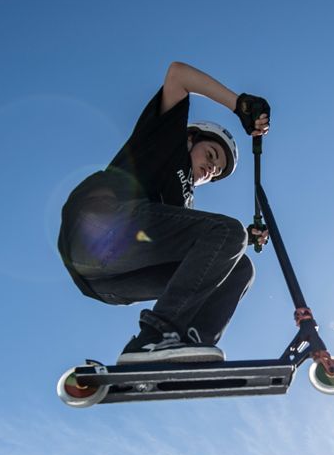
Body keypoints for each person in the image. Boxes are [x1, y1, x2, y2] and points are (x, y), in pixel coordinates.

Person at [58, 61, 270, 363]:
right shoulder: (165, 141)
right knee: (228, 232)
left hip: (110, 283)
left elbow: (193, 246)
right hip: (98, 230)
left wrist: (244, 240)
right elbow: (178, 75)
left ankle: (185, 348)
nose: (211, 169)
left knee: (240, 268)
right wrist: (239, 105)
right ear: (190, 138)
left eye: (217, 171)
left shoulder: (182, 203)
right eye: (210, 155)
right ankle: (158, 335)